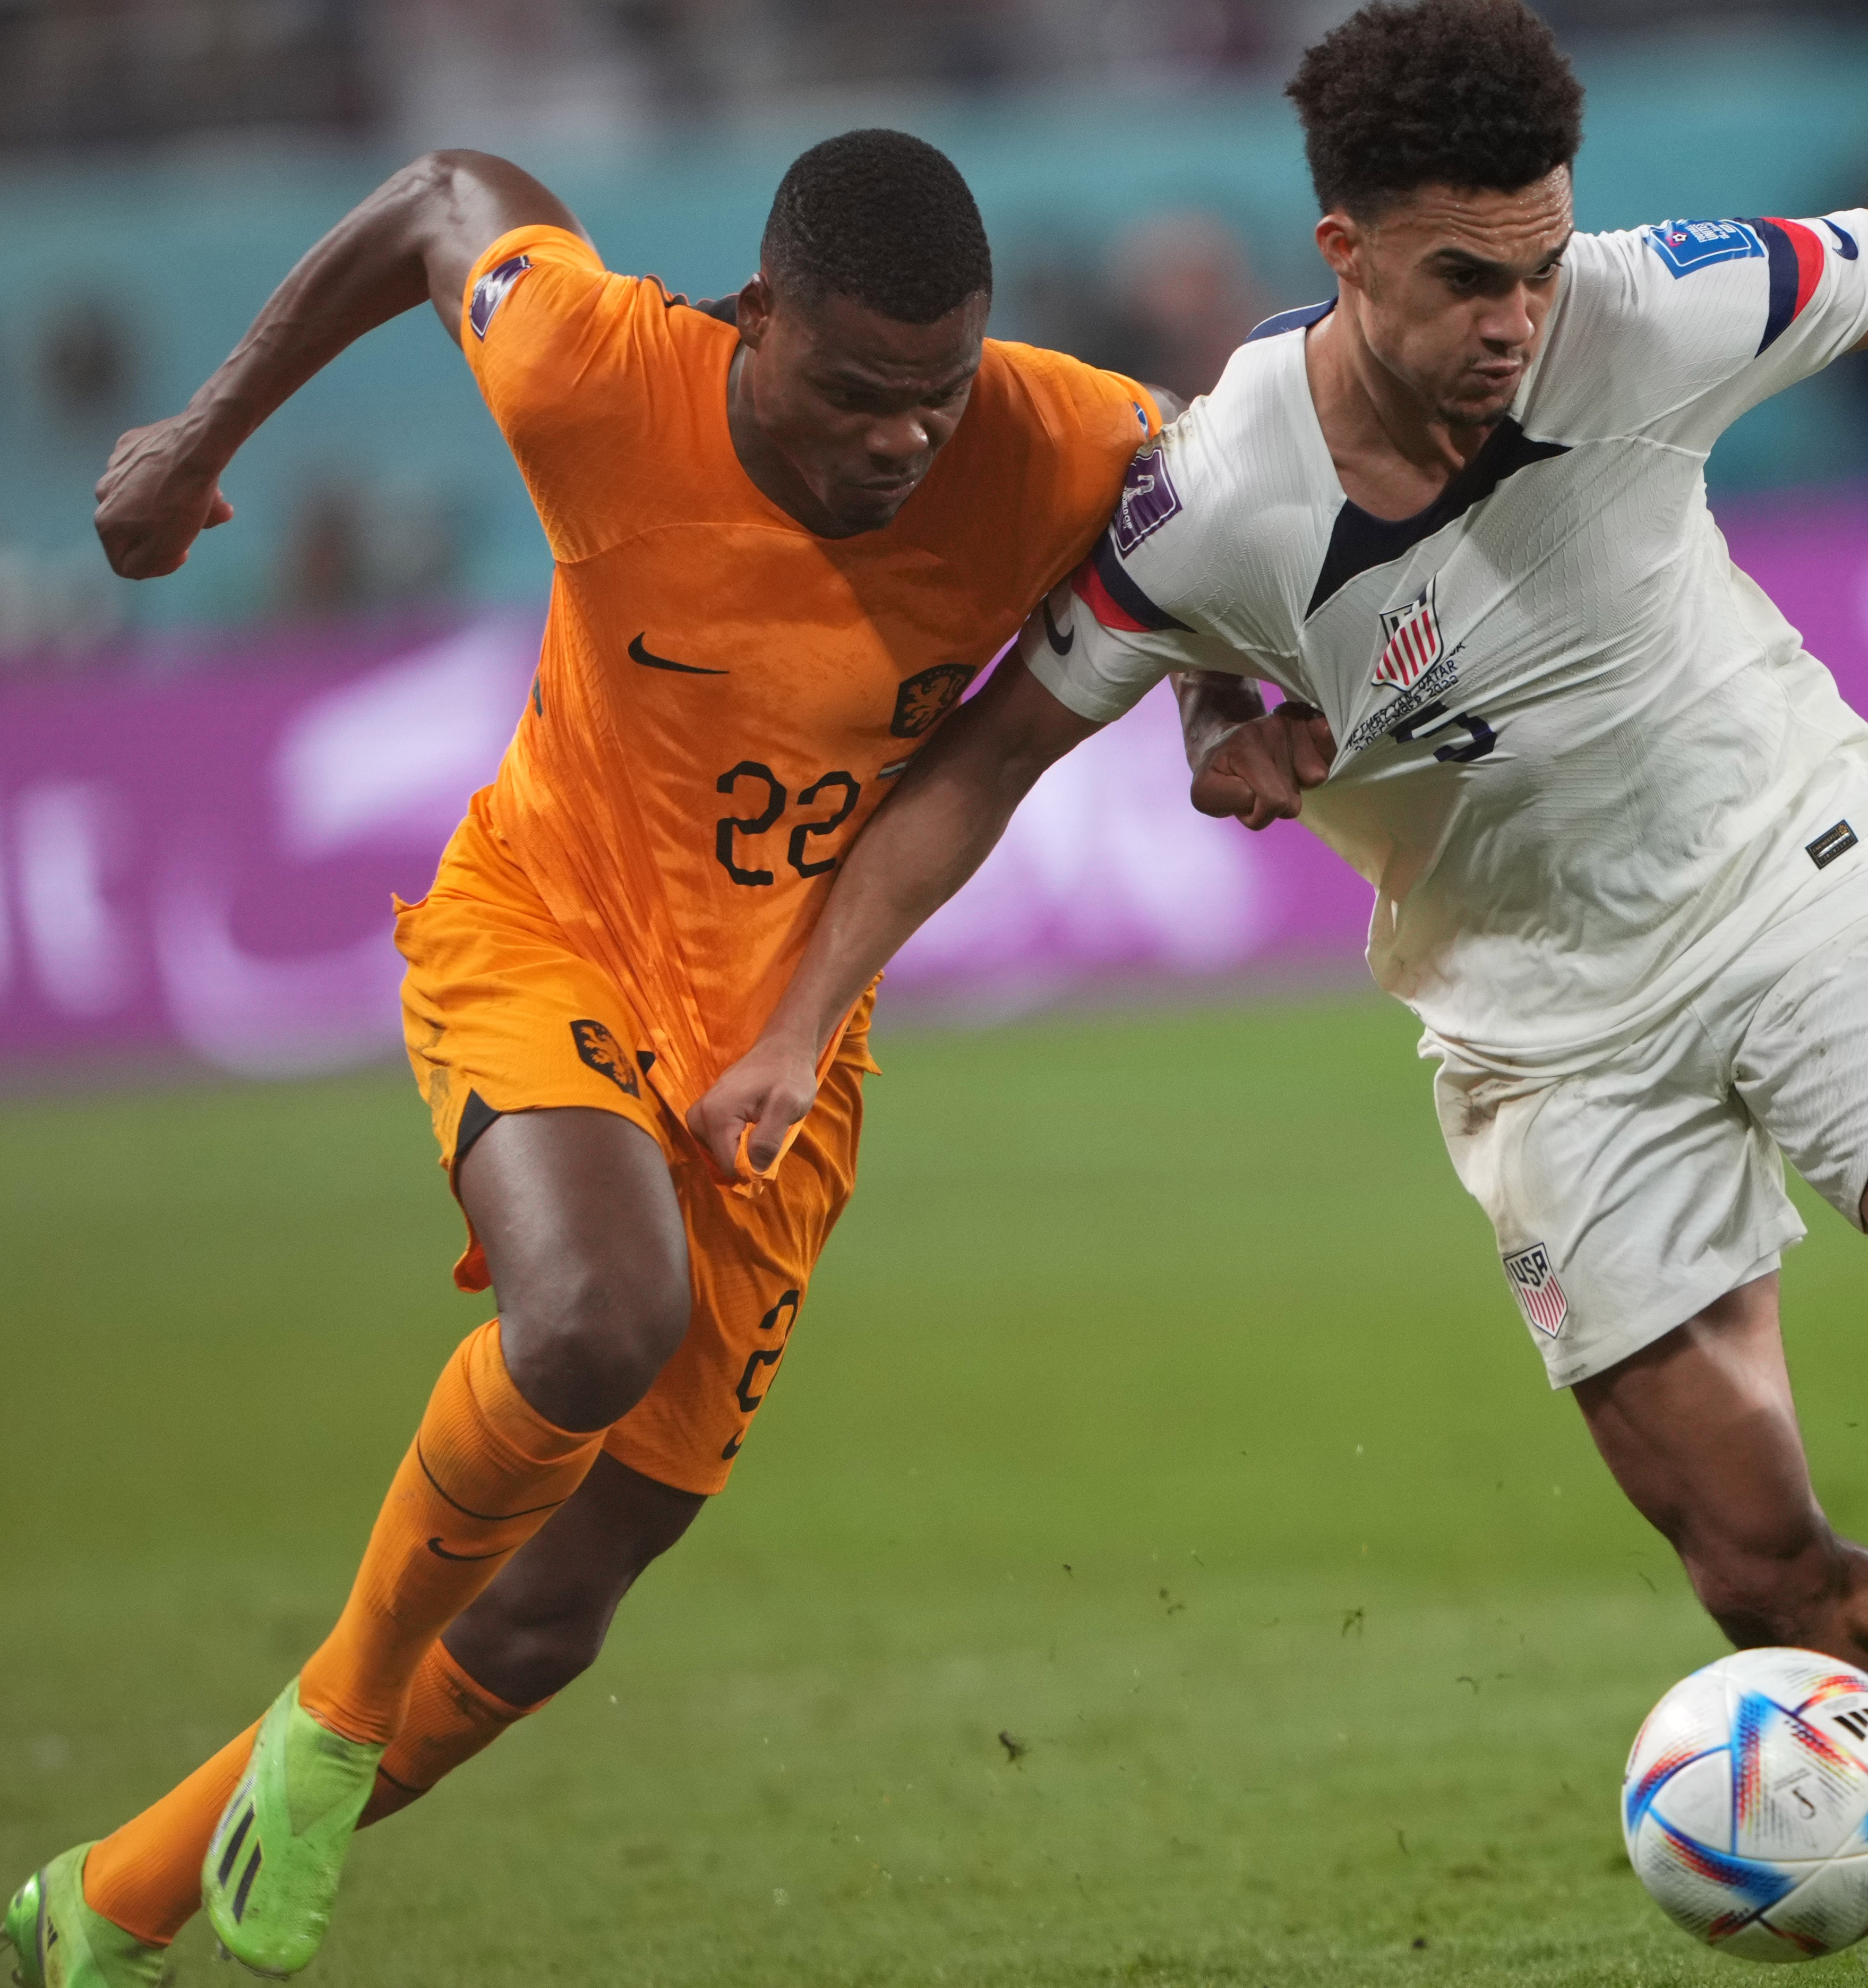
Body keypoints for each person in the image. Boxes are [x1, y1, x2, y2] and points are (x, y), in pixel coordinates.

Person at [689, 0, 1868, 1966]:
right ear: (1340, 256)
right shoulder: (1216, 499)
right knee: (1751, 1559)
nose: (1517, 315)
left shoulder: (1652, 303)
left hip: (1784, 875)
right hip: (1537, 1027)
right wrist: (811, 1010)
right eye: (1461, 278)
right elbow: (988, 754)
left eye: (1536, 258)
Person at [8, 131, 1161, 1985]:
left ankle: (112, 1905)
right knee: (591, 1317)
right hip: (544, 924)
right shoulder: (593, 367)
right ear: (753, 315)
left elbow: (1263, 542)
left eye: (932, 403)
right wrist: (195, 442)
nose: (896, 442)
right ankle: (336, 1713)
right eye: (856, 394)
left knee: (555, 1611)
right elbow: (436, 191)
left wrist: (1259, 713)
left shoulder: (1070, 441)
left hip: (784, 1034)